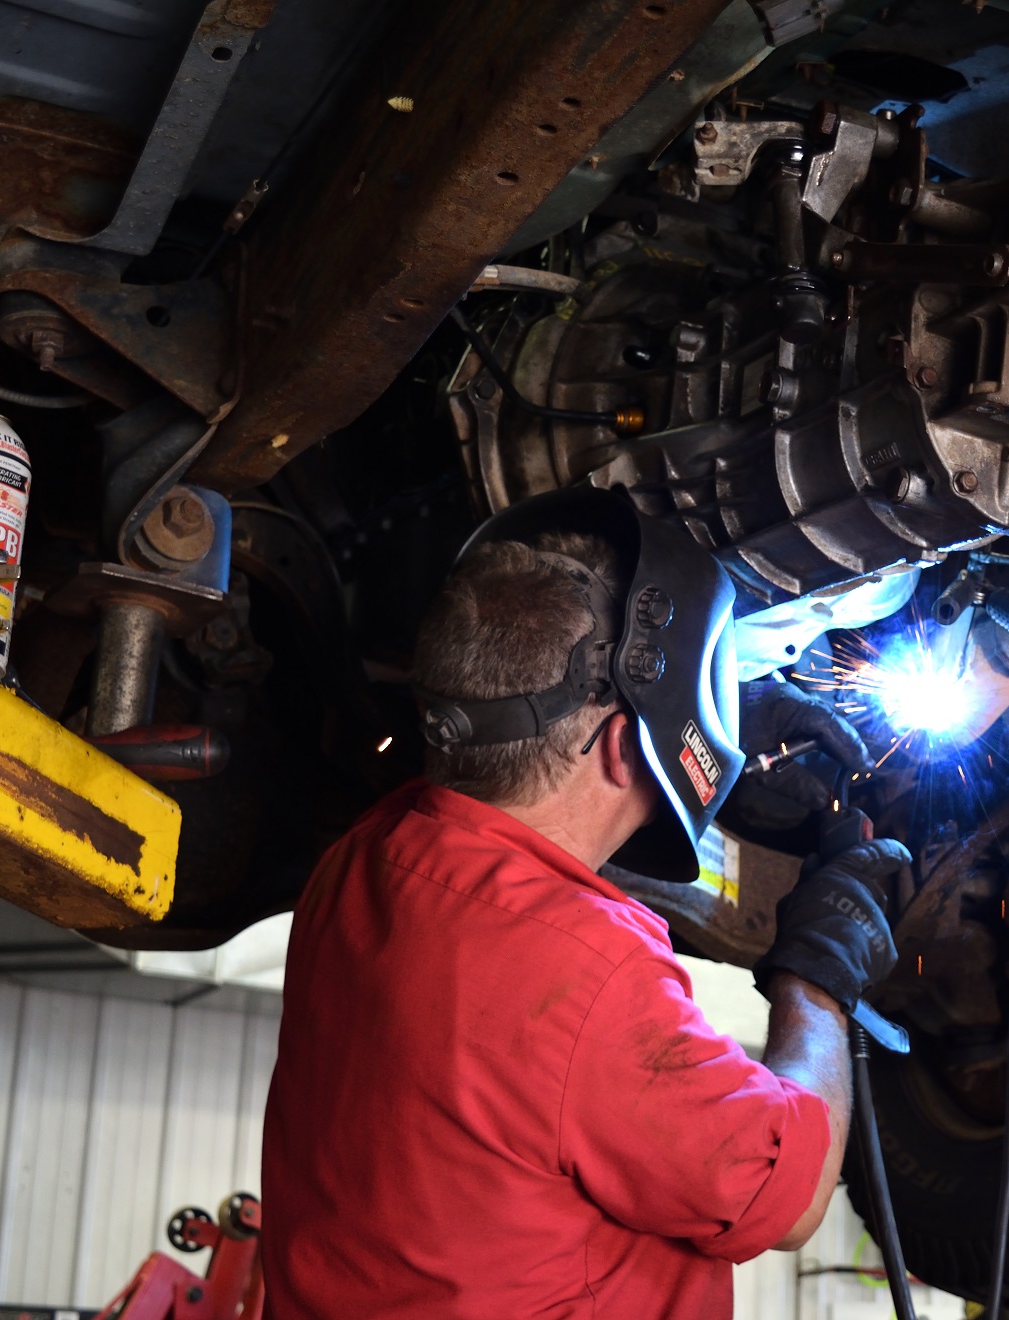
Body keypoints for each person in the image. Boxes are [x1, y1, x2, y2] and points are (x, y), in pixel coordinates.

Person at [261, 487, 905, 1319]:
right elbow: (791, 1192)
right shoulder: (584, 977)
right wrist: (817, 981)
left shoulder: (364, 859)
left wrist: (723, 722)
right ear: (620, 745)